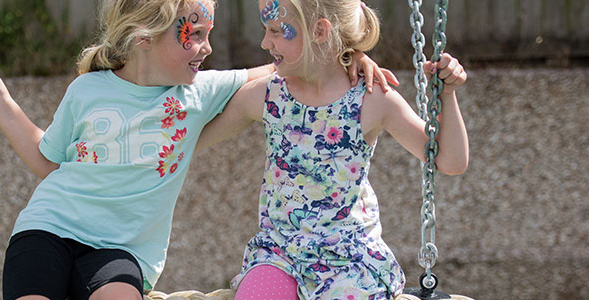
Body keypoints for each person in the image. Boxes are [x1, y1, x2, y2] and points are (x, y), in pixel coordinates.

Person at [0, 0, 396, 299]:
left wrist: (347, 55)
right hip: (49, 228)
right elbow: (48, 161)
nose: (207, 48)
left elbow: (287, 62)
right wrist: (4, 107)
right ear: (144, 39)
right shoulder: (88, 90)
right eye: (194, 36)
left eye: (208, 34)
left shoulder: (199, 91)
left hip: (121, 251)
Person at [195, 0, 469, 299]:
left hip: (349, 260)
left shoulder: (372, 99)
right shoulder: (267, 94)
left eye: (275, 30)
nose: (264, 42)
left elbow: (450, 161)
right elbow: (193, 139)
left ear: (320, 31)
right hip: (279, 254)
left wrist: (448, 93)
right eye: (265, 30)